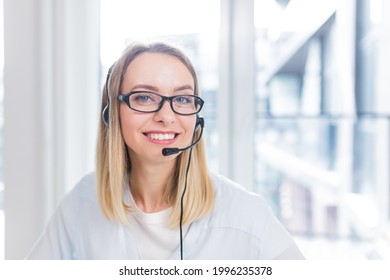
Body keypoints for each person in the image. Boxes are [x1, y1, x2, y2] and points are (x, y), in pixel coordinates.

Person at [26, 41, 304, 260]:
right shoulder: (82, 201)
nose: (167, 116)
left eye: (182, 98)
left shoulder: (247, 214)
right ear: (111, 114)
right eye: (145, 97)